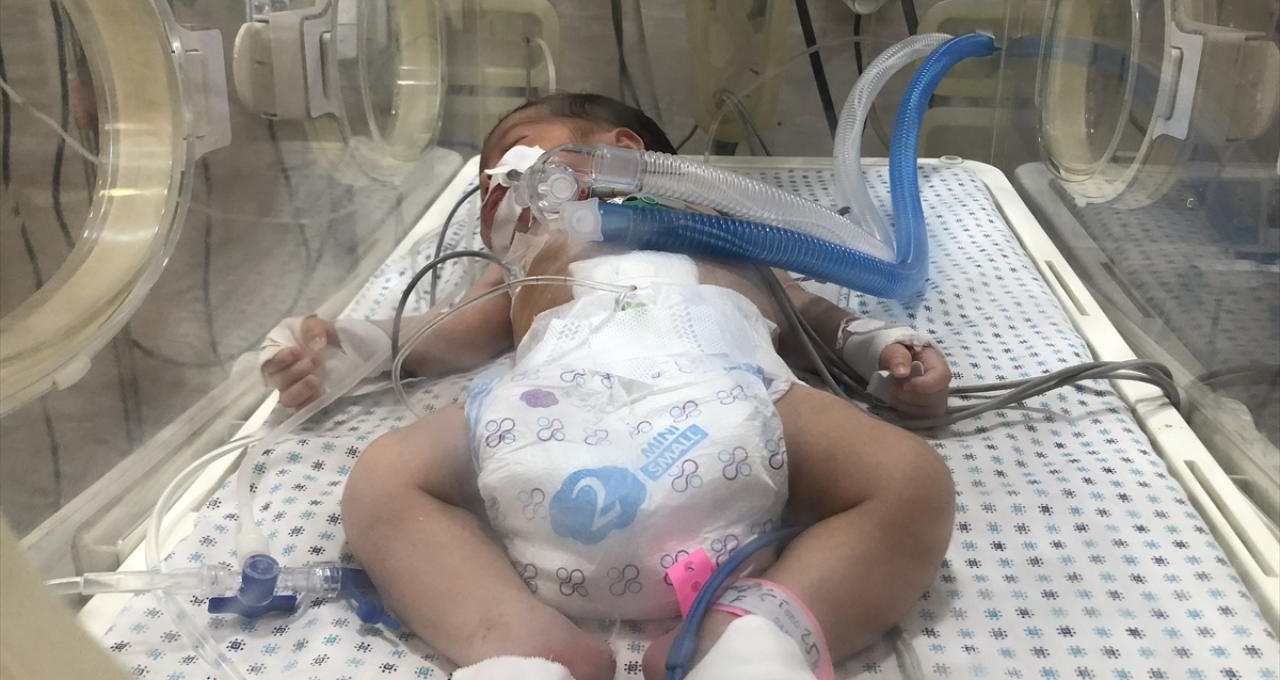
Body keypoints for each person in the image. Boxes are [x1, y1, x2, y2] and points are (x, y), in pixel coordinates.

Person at [262, 93, 954, 680]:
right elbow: (450, 335)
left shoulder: (719, 225)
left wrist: (878, 347)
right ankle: (511, 641)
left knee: (910, 480)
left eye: (514, 153)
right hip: (547, 405)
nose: (495, 186)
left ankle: (752, 636)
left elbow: (805, 312)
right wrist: (344, 347)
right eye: (483, 188)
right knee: (382, 480)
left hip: (724, 387)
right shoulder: (530, 251)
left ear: (624, 150)